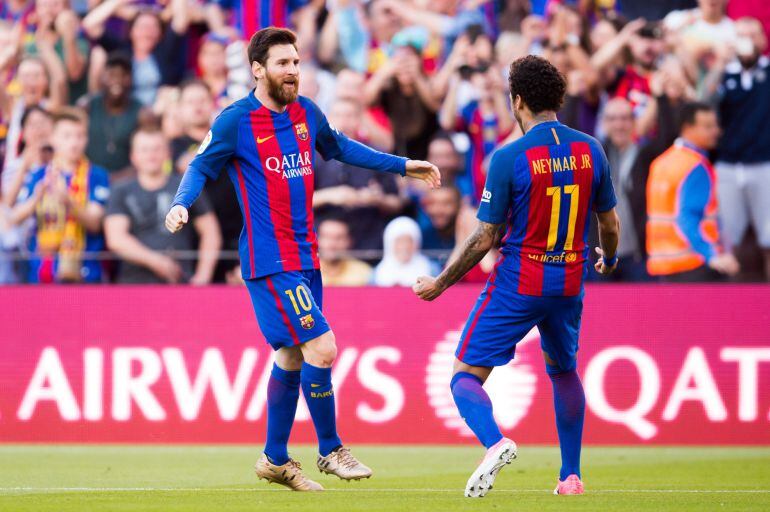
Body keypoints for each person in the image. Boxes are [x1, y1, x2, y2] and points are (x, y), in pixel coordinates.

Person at [165, 27, 440, 491]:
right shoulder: (236, 121)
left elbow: (342, 148)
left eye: (296, 62)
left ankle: (274, 459)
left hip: (305, 256)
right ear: (258, 70)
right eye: (283, 64)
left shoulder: (307, 113)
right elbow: (200, 164)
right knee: (323, 345)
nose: (293, 71)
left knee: (292, 355)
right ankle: (331, 449)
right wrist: (181, 203)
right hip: (271, 261)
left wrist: (401, 164)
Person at [413, 55, 621, 497]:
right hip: (569, 280)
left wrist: (441, 281)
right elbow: (611, 223)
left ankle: (494, 443)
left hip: (521, 280)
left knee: (464, 374)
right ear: (558, 99)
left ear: (517, 100)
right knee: (564, 371)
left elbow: (484, 236)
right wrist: (610, 258)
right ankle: (570, 477)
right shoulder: (592, 148)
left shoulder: (509, 157)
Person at [104, 128, 221, 284]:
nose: (151, 155)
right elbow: (116, 239)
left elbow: (210, 232)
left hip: (181, 282)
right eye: (144, 149)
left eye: (157, 149)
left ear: (168, 153)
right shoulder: (120, 190)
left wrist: (202, 277)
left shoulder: (186, 186)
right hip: (133, 285)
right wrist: (156, 262)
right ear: (133, 156)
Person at [10, 108, 110, 283]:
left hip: (86, 273)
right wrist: (36, 199)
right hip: (42, 273)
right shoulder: (39, 175)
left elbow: (95, 223)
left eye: (80, 136)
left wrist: (67, 200)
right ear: (53, 139)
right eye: (67, 136)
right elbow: (14, 217)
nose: (74, 142)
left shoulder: (97, 175)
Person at [646, 102, 739, 281]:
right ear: (688, 128)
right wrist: (713, 256)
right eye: (708, 126)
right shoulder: (696, 166)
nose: (716, 131)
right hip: (694, 264)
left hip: (663, 266)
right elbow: (687, 218)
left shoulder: (660, 162)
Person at [714, 17, 770, 280]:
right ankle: (731, 311)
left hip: (764, 164)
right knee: (727, 243)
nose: (747, 42)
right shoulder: (724, 73)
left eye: (752, 35)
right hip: (727, 166)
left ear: (763, 39)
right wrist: (719, 66)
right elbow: (702, 102)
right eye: (741, 36)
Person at [83, 53, 144, 177]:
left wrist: (115, 179)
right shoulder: (87, 107)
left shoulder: (142, 113)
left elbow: (145, 156)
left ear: (131, 79)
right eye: (111, 74)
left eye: (124, 75)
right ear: (103, 77)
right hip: (88, 179)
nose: (117, 80)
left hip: (127, 181)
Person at [374, 216, 435, 287]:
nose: (405, 246)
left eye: (409, 241)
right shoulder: (376, 275)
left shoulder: (432, 271)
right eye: (399, 242)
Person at [317, 217, 372, 286]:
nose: (332, 244)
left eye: (339, 238)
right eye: (326, 237)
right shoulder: (305, 272)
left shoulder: (363, 272)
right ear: (316, 240)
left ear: (349, 241)